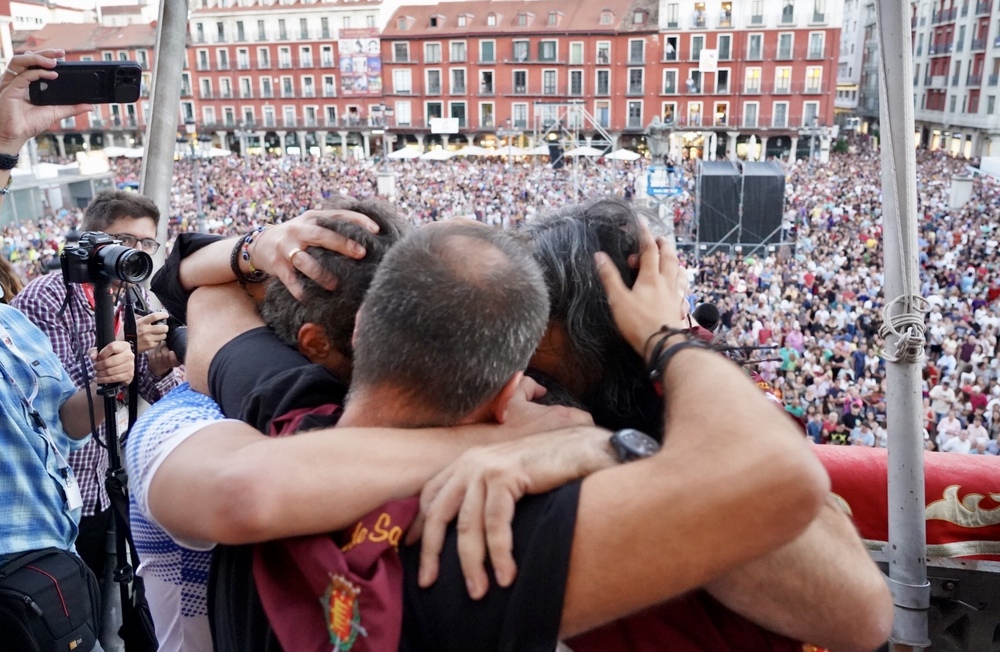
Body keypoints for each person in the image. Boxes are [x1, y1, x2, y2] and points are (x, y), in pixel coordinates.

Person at [126, 212, 600, 651]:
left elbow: (203, 293)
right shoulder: (518, 514)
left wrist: (258, 246)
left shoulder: (281, 403)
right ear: (509, 389)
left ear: (360, 332)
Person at [12, 190, 182, 579]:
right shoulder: (50, 294)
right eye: (124, 242)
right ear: (92, 243)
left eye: (146, 243)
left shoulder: (133, 295)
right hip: (55, 492)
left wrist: (157, 367)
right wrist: (125, 345)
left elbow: (162, 391)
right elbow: (50, 405)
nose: (136, 252)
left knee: (116, 590)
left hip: (108, 482)